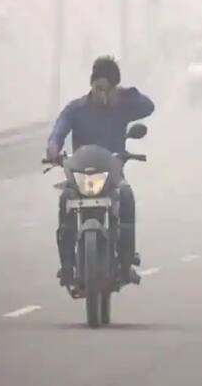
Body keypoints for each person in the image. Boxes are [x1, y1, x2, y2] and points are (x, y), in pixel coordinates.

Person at [46, 56, 155, 286]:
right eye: (98, 88)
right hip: (80, 177)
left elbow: (149, 106)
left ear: (115, 89)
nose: (102, 95)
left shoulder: (122, 106)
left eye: (107, 90)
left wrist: (125, 94)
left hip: (112, 176)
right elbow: (58, 131)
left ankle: (125, 262)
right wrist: (54, 149)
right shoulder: (76, 109)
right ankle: (67, 265)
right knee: (65, 199)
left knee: (126, 197)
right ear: (91, 84)